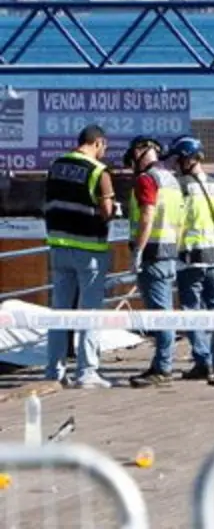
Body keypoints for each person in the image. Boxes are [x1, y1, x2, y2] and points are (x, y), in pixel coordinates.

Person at [43, 124, 115, 388]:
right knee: (90, 312)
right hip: (89, 250)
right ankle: (87, 371)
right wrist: (113, 210)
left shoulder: (56, 165)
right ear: (98, 143)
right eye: (103, 148)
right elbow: (107, 210)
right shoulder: (98, 171)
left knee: (59, 312)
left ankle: (54, 370)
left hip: (59, 246)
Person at [167, 136, 214, 380]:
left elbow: (172, 220)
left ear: (187, 159)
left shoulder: (179, 186)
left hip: (190, 257)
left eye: (177, 159)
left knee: (192, 310)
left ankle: (203, 361)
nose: (174, 165)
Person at [122, 135, 184, 388]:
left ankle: (162, 367)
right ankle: (163, 363)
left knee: (160, 314)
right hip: (169, 252)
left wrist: (138, 249)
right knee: (165, 310)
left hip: (153, 254)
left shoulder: (146, 179)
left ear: (140, 152)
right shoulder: (171, 180)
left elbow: (147, 215)